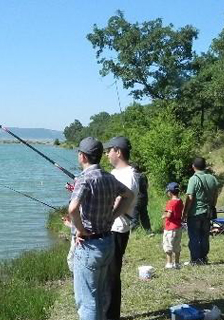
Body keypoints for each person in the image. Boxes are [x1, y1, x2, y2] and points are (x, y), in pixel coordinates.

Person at [68, 137, 135, 320]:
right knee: (99, 295)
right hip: (107, 242)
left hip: (89, 247)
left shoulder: (84, 179)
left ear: (82, 157)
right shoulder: (108, 177)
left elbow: (72, 208)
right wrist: (113, 215)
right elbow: (128, 195)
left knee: (87, 301)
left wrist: (80, 230)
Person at [103, 136, 138, 320]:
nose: (107, 154)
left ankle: (110, 316)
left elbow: (119, 202)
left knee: (111, 276)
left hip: (117, 229)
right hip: (109, 228)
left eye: (109, 150)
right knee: (106, 274)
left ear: (118, 151)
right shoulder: (115, 173)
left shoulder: (129, 175)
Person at [183, 157, 219, 265]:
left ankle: (195, 259)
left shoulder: (193, 179)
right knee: (204, 236)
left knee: (194, 236)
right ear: (205, 166)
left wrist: (185, 212)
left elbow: (190, 198)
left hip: (195, 213)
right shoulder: (212, 178)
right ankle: (203, 257)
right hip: (207, 212)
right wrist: (212, 206)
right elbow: (215, 195)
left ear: (193, 166)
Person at [162, 182, 184, 269]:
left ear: (170, 192)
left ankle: (169, 263)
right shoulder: (180, 201)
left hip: (170, 228)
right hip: (178, 226)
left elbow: (169, 215)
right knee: (177, 245)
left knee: (168, 245)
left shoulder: (171, 202)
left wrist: (164, 215)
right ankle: (177, 263)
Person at [132, 164, 152, 233]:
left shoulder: (134, 176)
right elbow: (147, 186)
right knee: (144, 215)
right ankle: (148, 230)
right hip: (144, 197)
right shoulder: (143, 176)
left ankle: (135, 232)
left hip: (136, 198)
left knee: (134, 216)